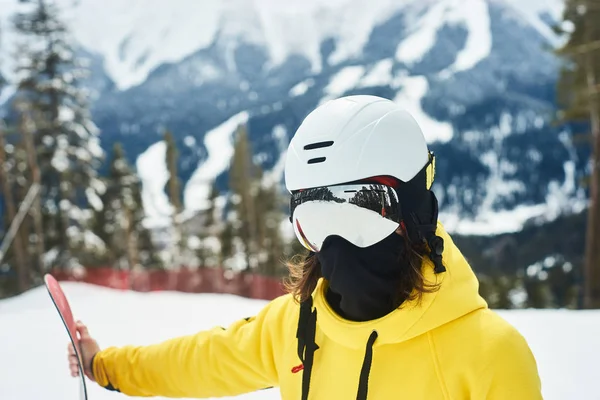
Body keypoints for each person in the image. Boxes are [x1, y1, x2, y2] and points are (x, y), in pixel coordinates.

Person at [68, 95, 542, 399]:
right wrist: (103, 365)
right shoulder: (297, 326)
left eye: (362, 206)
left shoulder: (489, 355)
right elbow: (196, 362)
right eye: (312, 217)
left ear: (416, 211)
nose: (337, 245)